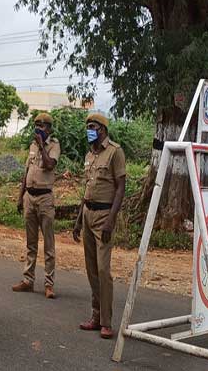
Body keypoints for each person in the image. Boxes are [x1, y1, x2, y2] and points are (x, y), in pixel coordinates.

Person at [73, 113, 126, 340]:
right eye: (87, 127)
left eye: (92, 126)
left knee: (104, 271)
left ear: (102, 129)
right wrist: (77, 221)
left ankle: (106, 322)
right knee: (92, 269)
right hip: (87, 214)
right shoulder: (89, 155)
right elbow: (87, 191)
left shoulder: (115, 152)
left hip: (104, 215)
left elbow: (121, 187)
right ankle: (95, 316)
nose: (89, 130)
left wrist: (111, 220)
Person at [12, 112, 61, 298]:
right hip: (29, 198)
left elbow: (49, 165)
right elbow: (26, 173)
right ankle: (28, 280)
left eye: (42, 125)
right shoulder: (32, 145)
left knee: (48, 244)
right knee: (30, 243)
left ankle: (49, 284)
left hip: (45, 198)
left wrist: (42, 147)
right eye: (37, 124)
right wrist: (20, 197)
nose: (39, 128)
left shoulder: (54, 145)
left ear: (49, 128)